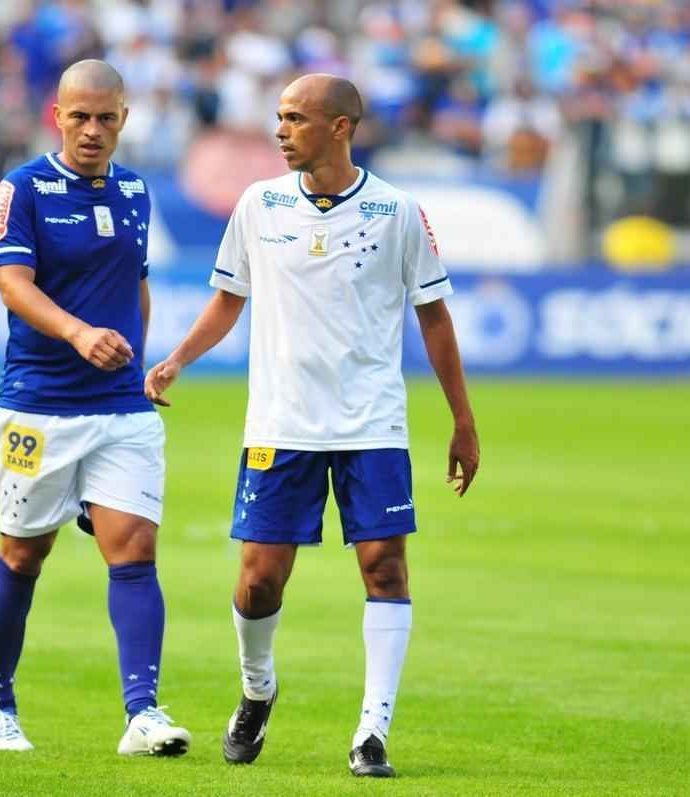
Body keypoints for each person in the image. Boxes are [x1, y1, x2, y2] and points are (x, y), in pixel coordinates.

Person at [144, 73, 479, 778]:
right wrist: (176, 359)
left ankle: (371, 733)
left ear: (341, 126)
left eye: (296, 117)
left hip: (372, 424)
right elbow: (228, 299)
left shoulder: (396, 211)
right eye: (279, 116)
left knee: (384, 567)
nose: (280, 129)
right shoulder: (258, 205)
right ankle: (257, 689)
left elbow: (435, 316)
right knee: (260, 581)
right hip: (281, 422)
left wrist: (462, 420)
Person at [0, 59, 190, 757]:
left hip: (121, 409)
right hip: (40, 407)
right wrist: (76, 332)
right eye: (79, 117)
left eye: (105, 118)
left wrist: (140, 361)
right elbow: (12, 282)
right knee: (22, 553)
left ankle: (143, 713)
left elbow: (138, 284)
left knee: (135, 550)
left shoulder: (135, 189)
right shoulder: (24, 187)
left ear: (125, 118)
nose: (92, 130)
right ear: (56, 116)